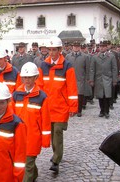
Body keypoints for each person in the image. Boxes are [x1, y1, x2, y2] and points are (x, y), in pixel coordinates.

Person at [39, 36, 78, 174]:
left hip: (61, 107)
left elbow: (72, 88)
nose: (51, 52)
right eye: (49, 50)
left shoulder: (67, 66)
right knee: (51, 134)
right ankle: (56, 154)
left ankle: (56, 160)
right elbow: (39, 86)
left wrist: (73, 106)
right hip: (47, 107)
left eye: (54, 50)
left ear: (60, 50)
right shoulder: (43, 65)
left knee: (57, 133)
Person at [12, 62, 51, 181]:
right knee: (25, 161)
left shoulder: (42, 97)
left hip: (33, 136)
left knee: (27, 163)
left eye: (30, 77)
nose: (27, 80)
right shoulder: (16, 95)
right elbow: (11, 115)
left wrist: (45, 139)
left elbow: (46, 120)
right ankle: (34, 174)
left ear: (36, 78)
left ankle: (29, 177)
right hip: (19, 136)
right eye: (25, 77)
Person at [89, 40, 117, 119]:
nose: (101, 48)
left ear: (106, 47)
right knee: (100, 96)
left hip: (108, 78)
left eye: (103, 47)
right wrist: (91, 80)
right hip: (98, 79)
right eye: (100, 47)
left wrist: (114, 80)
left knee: (107, 96)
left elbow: (114, 68)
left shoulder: (111, 56)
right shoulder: (95, 57)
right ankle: (101, 110)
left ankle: (107, 111)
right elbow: (92, 69)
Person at [65, 41, 88, 117]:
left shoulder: (84, 56)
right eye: (75, 46)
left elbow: (87, 68)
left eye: (77, 46)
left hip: (80, 77)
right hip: (70, 78)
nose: (76, 48)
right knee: (71, 95)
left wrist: (87, 78)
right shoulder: (68, 56)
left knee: (80, 95)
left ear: (80, 47)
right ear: (72, 47)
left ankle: (79, 110)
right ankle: (72, 109)